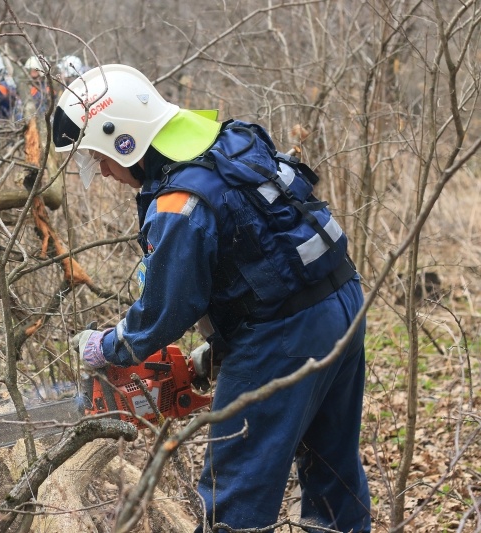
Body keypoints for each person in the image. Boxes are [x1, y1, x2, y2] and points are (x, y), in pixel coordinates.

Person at [54, 64, 372, 532]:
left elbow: (164, 312)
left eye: (100, 154)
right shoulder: (227, 141)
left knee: (233, 498)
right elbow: (262, 253)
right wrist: (221, 347)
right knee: (332, 473)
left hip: (284, 337)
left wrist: (110, 346)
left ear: (125, 138)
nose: (100, 169)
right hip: (342, 303)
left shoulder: (180, 203)